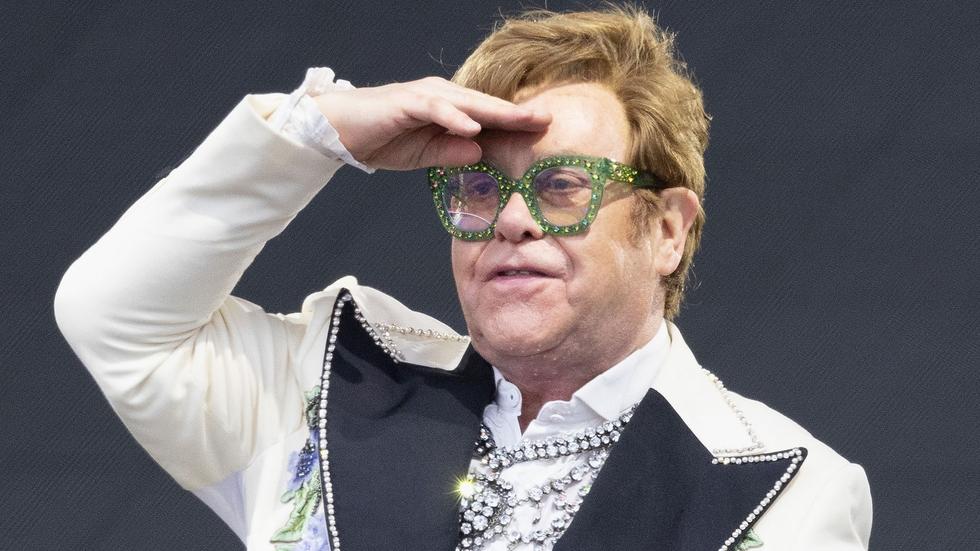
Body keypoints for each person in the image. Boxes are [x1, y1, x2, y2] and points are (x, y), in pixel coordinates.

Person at [54, 6, 872, 551]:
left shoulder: (789, 490)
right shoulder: (331, 385)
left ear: (666, 229)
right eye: (480, 187)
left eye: (562, 185)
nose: (511, 218)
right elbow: (111, 316)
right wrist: (317, 134)